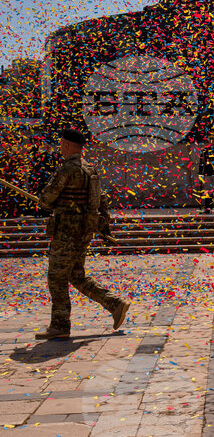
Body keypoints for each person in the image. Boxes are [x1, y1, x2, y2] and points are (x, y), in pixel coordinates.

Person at [35, 128, 129, 340]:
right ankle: (115, 304)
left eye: (61, 144)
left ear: (67, 145)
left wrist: (49, 202)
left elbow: (46, 199)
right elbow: (101, 200)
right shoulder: (90, 169)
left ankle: (60, 325)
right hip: (84, 230)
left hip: (67, 231)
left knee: (56, 277)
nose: (60, 147)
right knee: (76, 275)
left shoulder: (67, 169)